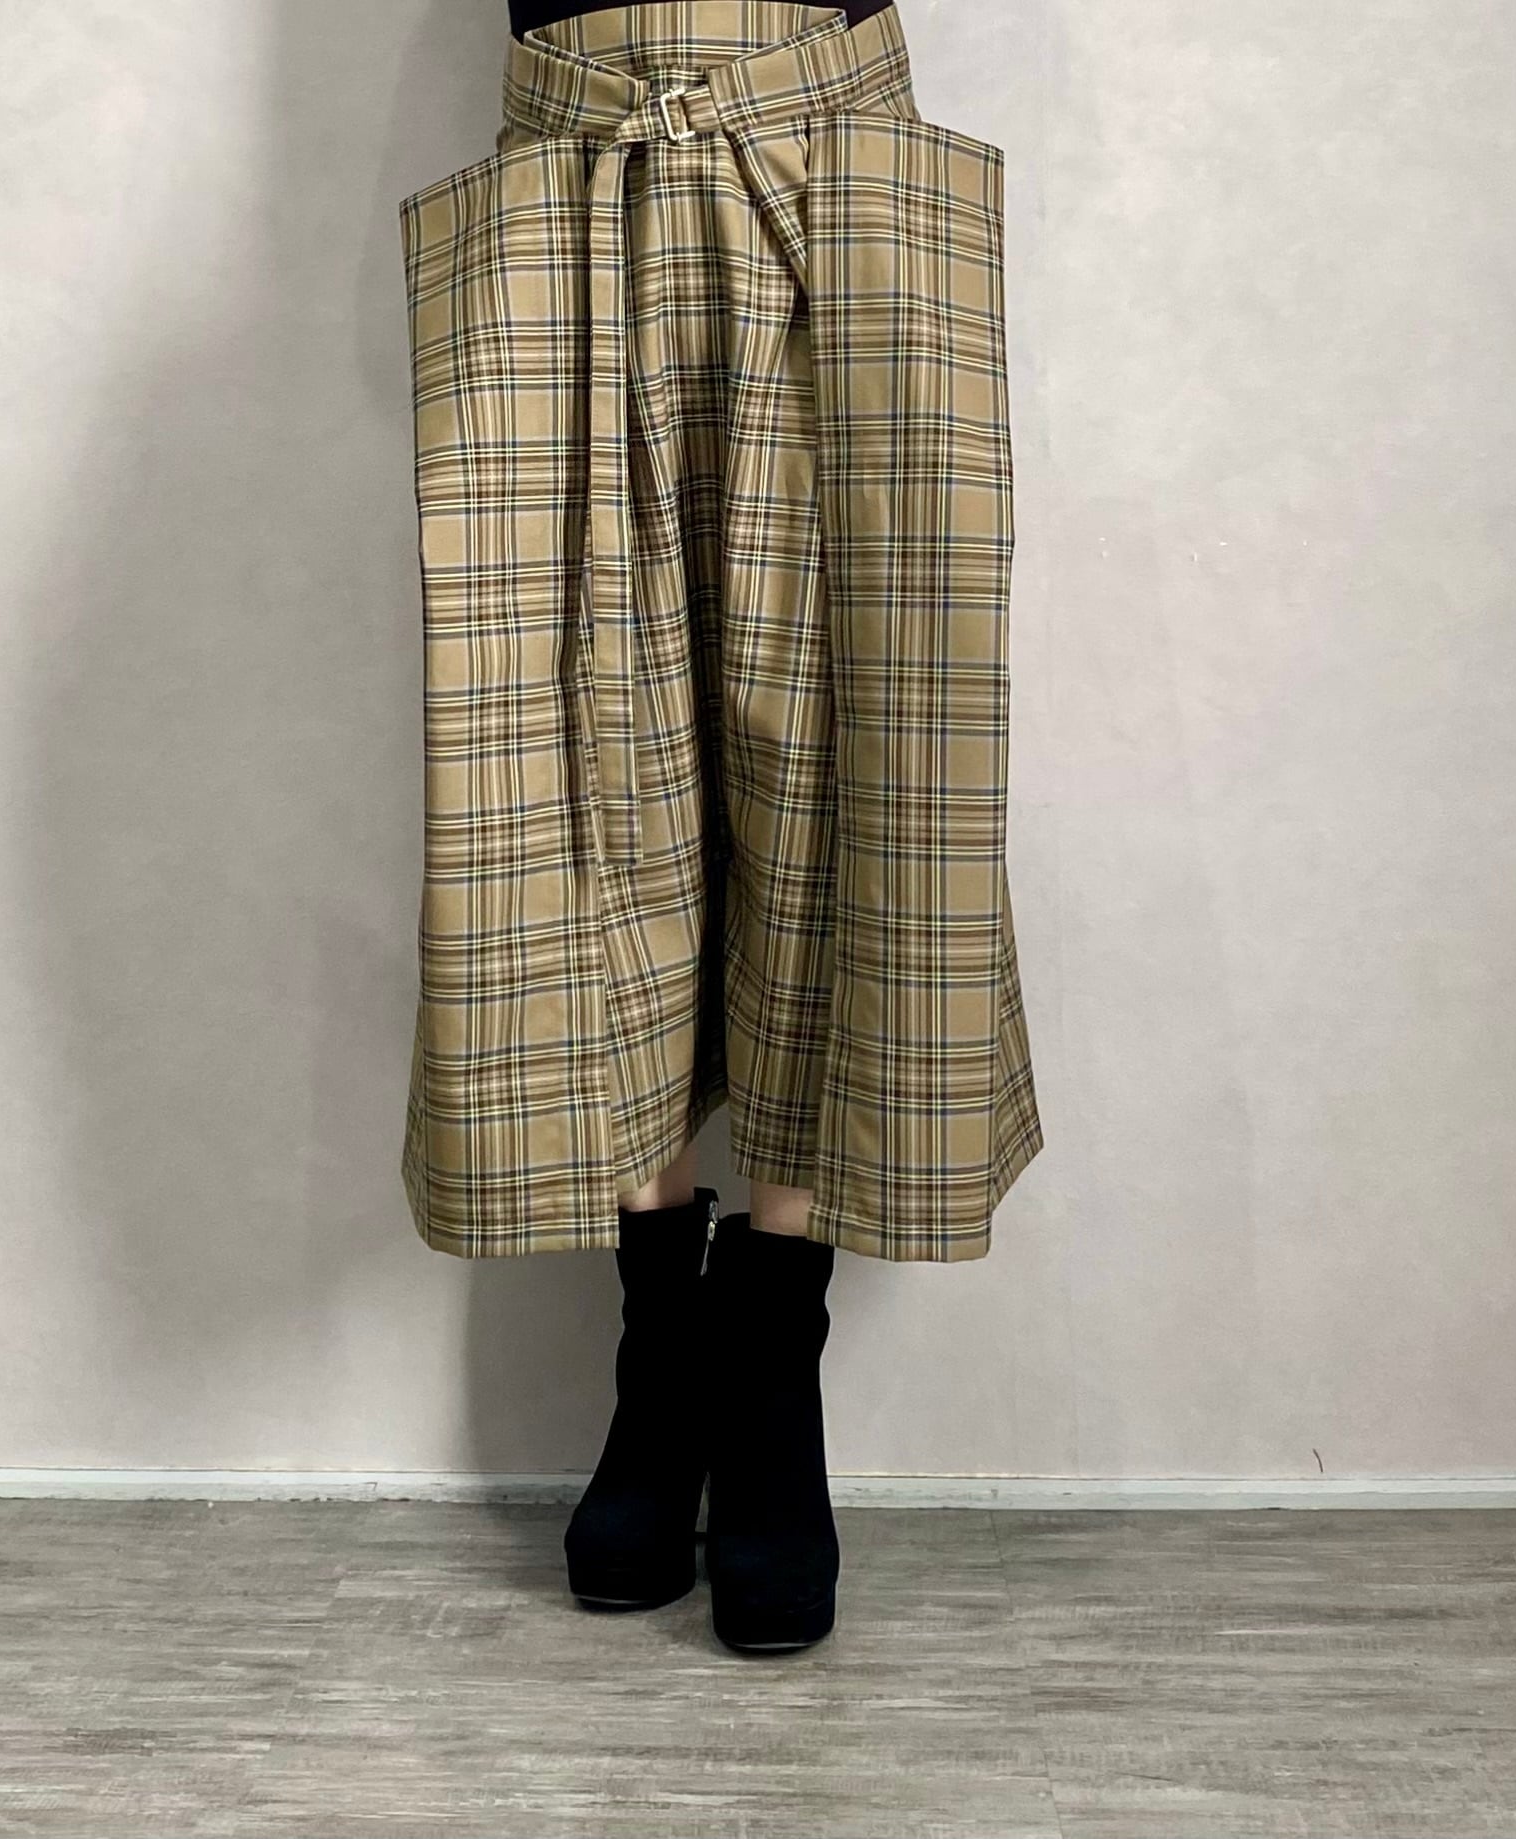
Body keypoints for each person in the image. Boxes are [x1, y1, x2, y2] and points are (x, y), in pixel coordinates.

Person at [398, 0, 1042, 1654]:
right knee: (568, 763)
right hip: (572, 148)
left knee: (852, 755)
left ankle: (768, 1366)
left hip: (832, 143)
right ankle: (659, 1356)